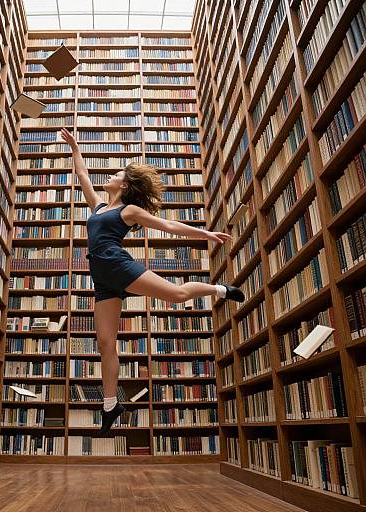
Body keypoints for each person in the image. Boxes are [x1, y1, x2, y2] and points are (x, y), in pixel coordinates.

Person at [61, 128, 244, 435]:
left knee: (176, 295)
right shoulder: (98, 207)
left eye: (117, 173)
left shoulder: (129, 210)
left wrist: (206, 234)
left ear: (125, 184)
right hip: (102, 277)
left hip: (118, 265)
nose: (111, 175)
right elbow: (82, 176)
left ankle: (219, 289)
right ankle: (110, 405)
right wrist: (76, 147)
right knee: (105, 343)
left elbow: (168, 224)